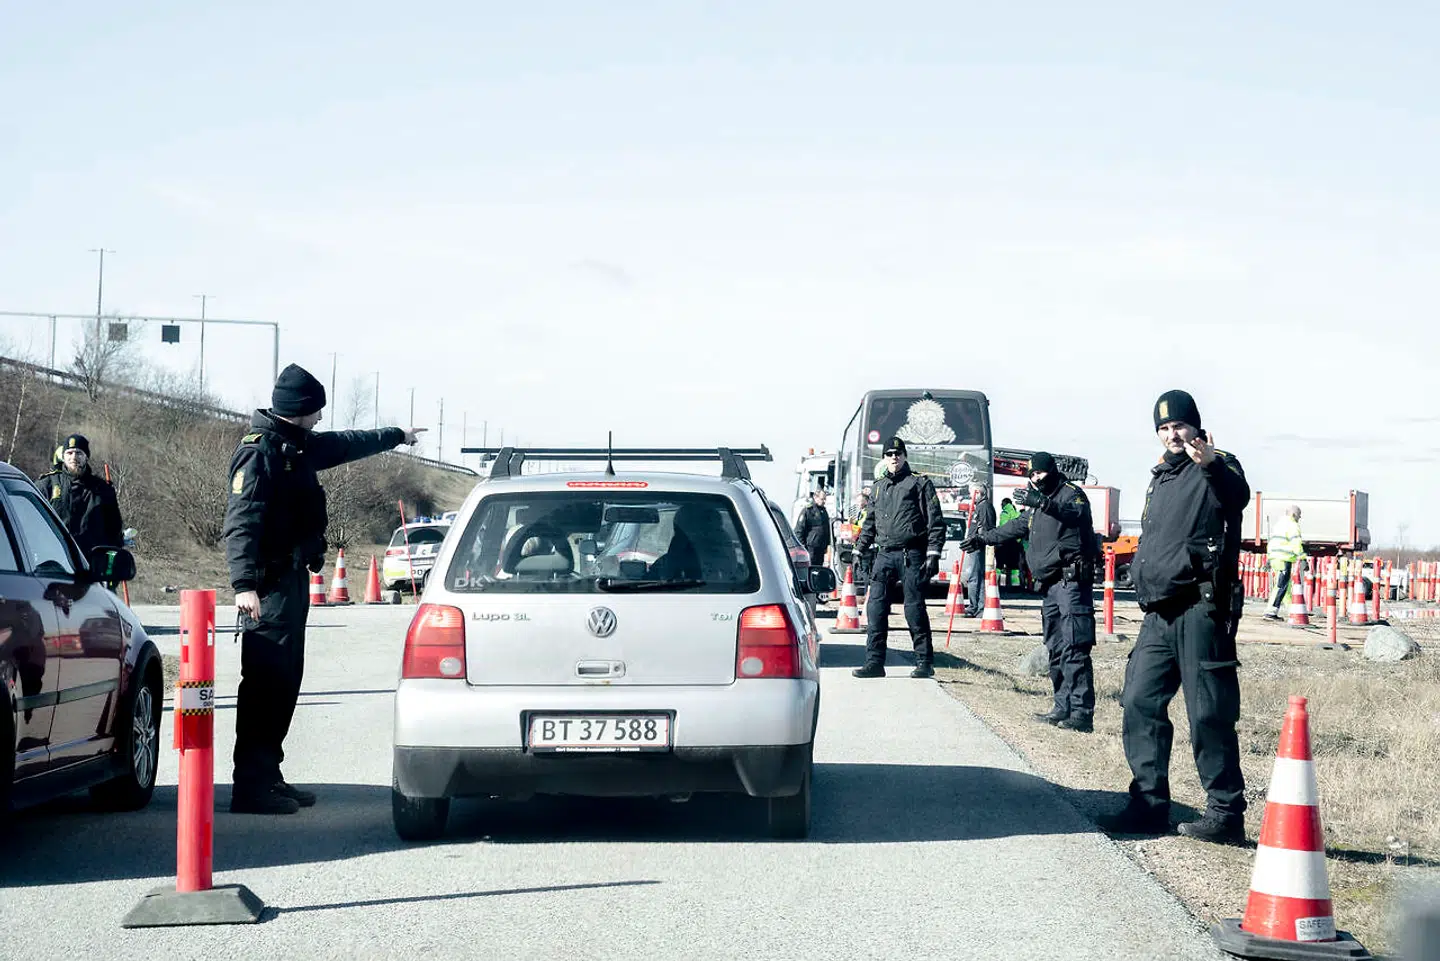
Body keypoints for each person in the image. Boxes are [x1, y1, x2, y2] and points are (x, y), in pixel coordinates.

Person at [224, 364, 424, 815]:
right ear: (300, 409)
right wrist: (243, 584)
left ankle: (268, 775)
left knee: (285, 682)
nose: (320, 418)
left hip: (291, 581)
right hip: (267, 586)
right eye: (316, 410)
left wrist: (397, 435)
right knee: (265, 685)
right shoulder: (259, 452)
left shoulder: (295, 446)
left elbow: (346, 443)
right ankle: (250, 786)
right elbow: (241, 521)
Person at [1098, 390, 1250, 845]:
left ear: (1196, 426)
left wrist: (1211, 465)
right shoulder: (1161, 477)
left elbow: (1237, 497)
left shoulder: (1219, 466)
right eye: (1163, 429)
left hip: (1200, 608)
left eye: (1179, 425)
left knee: (1207, 713)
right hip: (1159, 613)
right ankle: (1149, 804)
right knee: (1139, 701)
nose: (1172, 435)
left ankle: (1225, 813)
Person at [961, 453, 1098, 731]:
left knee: (1075, 647)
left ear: (1052, 471)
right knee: (1055, 648)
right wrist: (982, 539)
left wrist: (1043, 503)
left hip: (1071, 584)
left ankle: (1081, 714)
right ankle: (1062, 707)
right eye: (1032, 475)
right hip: (1050, 586)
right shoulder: (1036, 505)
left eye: (1040, 473)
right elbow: (1014, 527)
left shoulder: (1071, 494)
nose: (1037, 478)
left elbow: (1075, 515)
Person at [852, 437, 946, 679]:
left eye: (898, 453)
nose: (894, 457)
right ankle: (874, 663)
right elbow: (870, 523)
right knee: (876, 609)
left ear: (904, 456)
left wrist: (933, 553)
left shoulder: (919, 483)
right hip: (884, 555)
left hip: (911, 555)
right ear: (884, 458)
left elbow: (935, 521)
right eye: (889, 454)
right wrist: (858, 550)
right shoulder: (878, 487)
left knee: (914, 609)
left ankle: (924, 662)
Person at [37, 433, 124, 555]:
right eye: (69, 453)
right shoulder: (47, 485)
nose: (74, 457)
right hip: (53, 559)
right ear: (63, 457)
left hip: (91, 561)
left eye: (79, 453)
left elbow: (114, 531)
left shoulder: (103, 490)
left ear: (86, 457)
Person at [1264, 505, 1304, 620]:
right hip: (1284, 558)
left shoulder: (1279, 525)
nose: (1299, 518)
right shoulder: (1293, 525)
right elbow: (1296, 543)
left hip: (1276, 558)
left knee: (1285, 585)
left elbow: (1271, 543)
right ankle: (1271, 611)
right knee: (1281, 586)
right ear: (1293, 514)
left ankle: (1293, 610)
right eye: (1299, 515)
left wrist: (1269, 557)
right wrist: (1302, 558)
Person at [961, 484, 995, 617]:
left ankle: (974, 607)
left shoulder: (984, 507)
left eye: (972, 493)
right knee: (976, 576)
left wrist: (977, 539)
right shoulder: (980, 507)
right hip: (974, 546)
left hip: (977, 546)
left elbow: (985, 528)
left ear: (979, 493)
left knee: (974, 577)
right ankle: (978, 607)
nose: (971, 496)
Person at [793, 488, 832, 567]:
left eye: (825, 499)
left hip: (821, 548)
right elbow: (799, 531)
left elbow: (826, 529)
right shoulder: (808, 511)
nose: (824, 501)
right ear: (815, 497)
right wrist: (802, 548)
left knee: (819, 568)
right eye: (822, 499)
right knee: (810, 567)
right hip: (810, 548)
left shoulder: (824, 511)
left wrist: (827, 545)